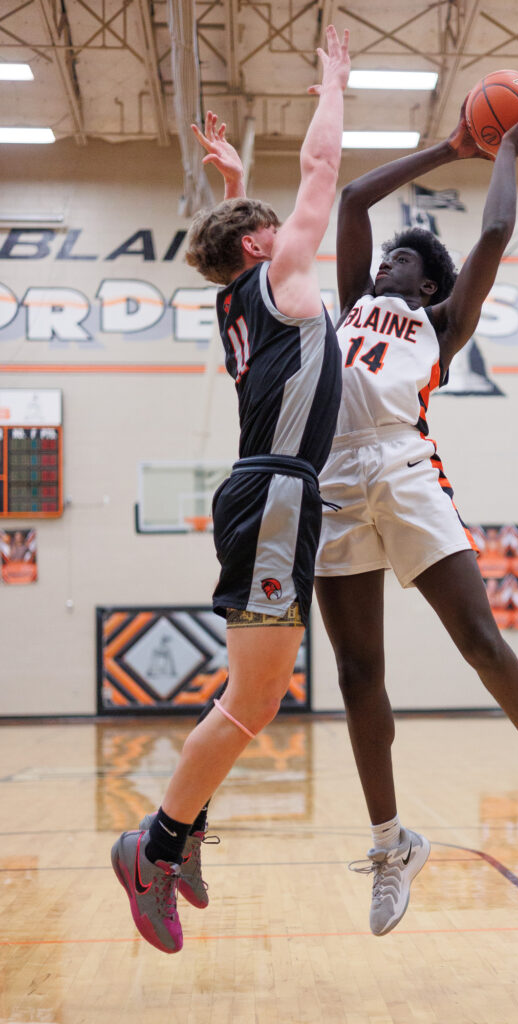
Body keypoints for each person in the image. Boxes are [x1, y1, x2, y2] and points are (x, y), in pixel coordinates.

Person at [314, 93, 518, 937]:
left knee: (478, 638)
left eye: (401, 261)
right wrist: (450, 145)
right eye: (384, 261)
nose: (384, 264)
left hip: (402, 463)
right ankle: (392, 846)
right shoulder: (353, 299)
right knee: (359, 676)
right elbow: (354, 199)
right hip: (332, 479)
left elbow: (495, 236)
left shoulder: (439, 321)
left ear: (425, 283)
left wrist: (503, 150)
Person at [110, 25, 350, 954]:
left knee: (249, 692)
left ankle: (188, 826)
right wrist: (333, 84)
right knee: (255, 703)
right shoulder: (278, 276)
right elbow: (322, 167)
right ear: (261, 244)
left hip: (268, 493)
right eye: (269, 224)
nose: (288, 226)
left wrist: (229, 176)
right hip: (280, 497)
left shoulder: (235, 295)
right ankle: (154, 846)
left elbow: (234, 235)